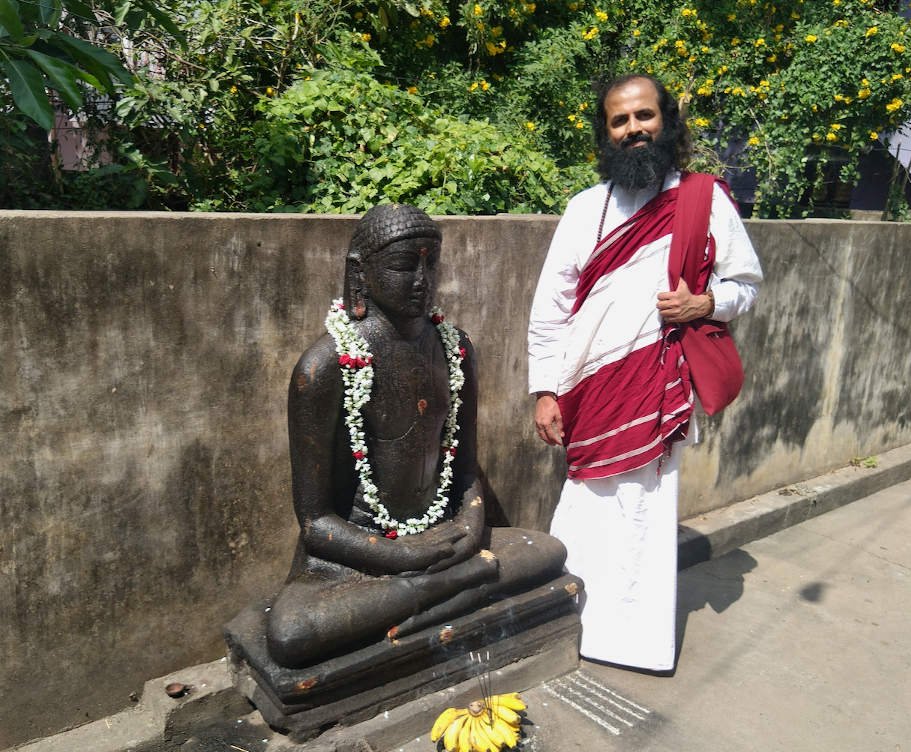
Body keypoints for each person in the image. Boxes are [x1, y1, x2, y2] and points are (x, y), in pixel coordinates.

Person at [527, 74, 763, 672]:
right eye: (619, 120)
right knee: (586, 510)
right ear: (606, 133)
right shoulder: (585, 208)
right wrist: (545, 390)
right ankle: (567, 629)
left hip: (659, 390)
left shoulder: (704, 200)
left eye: (644, 116)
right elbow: (550, 306)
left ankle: (632, 642)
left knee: (646, 517)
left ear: (667, 120)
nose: (633, 129)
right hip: (589, 393)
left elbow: (746, 286)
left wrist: (703, 304)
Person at [267, 203, 565, 668]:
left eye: (432, 264)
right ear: (360, 272)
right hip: (357, 554)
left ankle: (427, 595)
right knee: (291, 634)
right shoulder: (323, 368)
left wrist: (469, 527)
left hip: (443, 536)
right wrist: (401, 555)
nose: (423, 281)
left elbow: (465, 471)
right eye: (406, 265)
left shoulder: (455, 348)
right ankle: (446, 589)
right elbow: (315, 522)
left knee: (549, 551)